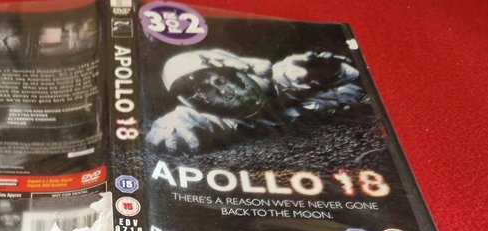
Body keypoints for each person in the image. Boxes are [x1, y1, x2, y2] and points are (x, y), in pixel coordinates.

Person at [145, 49, 367, 154]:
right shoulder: (213, 118)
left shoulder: (288, 76)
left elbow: (357, 78)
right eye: (199, 90)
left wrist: (326, 71)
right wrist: (173, 127)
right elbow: (180, 123)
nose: (221, 91)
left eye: (219, 79)